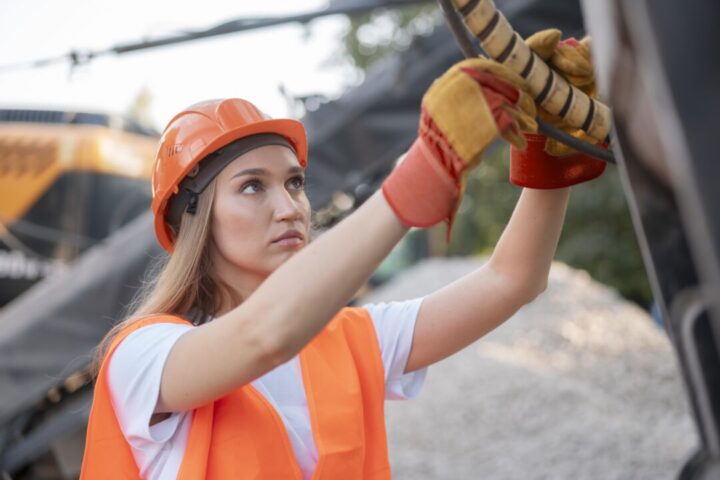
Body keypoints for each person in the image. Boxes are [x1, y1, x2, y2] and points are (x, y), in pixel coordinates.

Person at [80, 44, 604, 479]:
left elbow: (512, 278)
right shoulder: (143, 357)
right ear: (193, 221)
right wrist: (419, 177)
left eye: (294, 183)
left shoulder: (352, 338)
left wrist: (548, 152)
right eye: (252, 186)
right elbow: (262, 336)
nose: (289, 208)